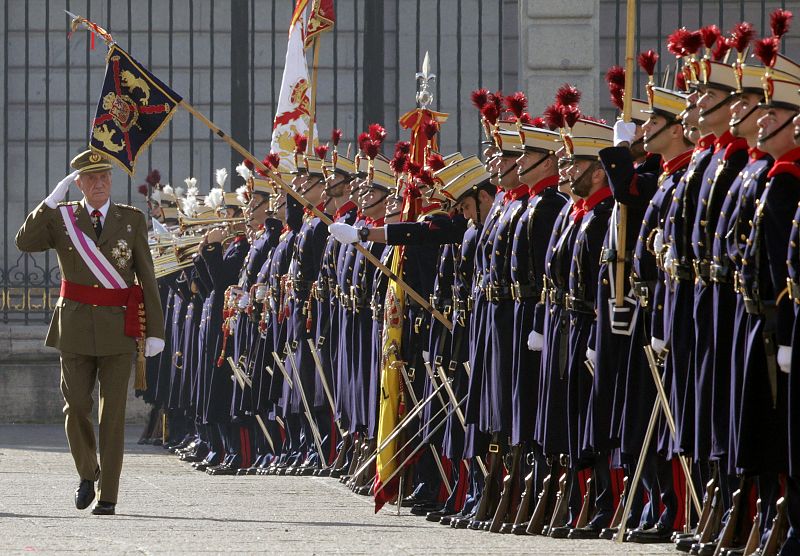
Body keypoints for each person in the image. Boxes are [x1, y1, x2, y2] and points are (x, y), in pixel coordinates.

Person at [15, 149, 165, 515]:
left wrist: (156, 331)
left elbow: (146, 275)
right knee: (76, 407)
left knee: (111, 414)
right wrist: (50, 202)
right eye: (90, 178)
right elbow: (24, 241)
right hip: (75, 327)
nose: (98, 184)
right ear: (78, 183)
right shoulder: (63, 218)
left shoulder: (130, 220)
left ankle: (108, 495)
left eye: (104, 177)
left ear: (111, 180)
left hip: (119, 328)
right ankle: (88, 471)